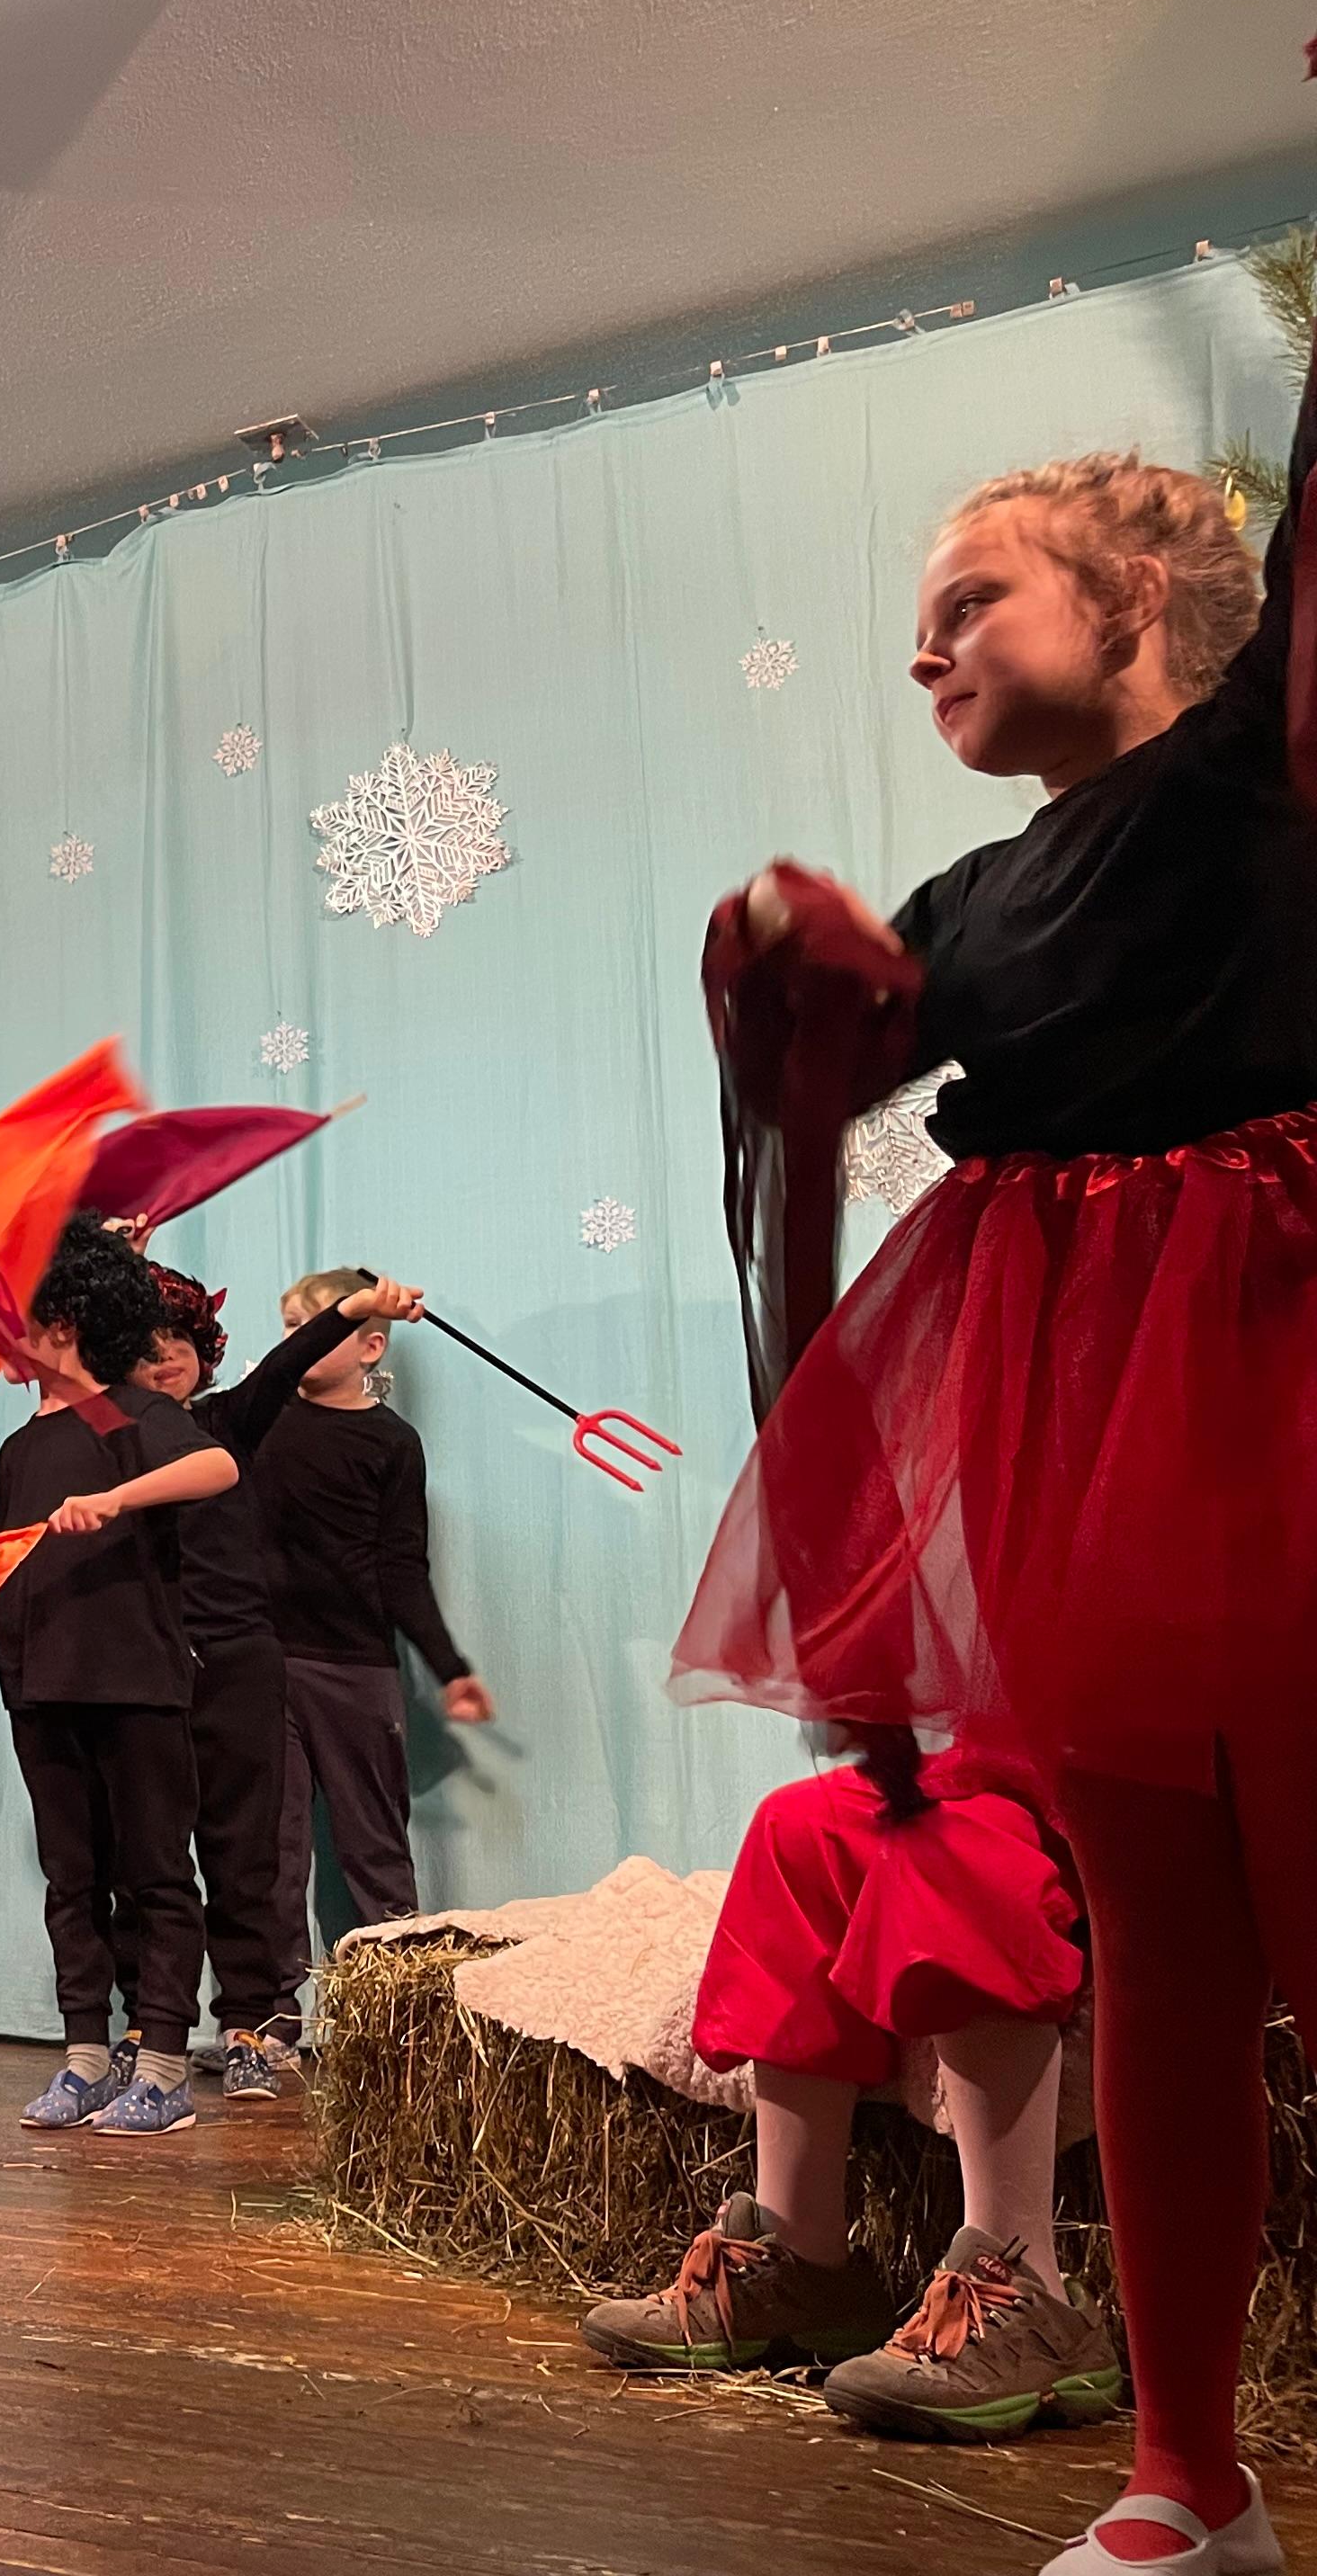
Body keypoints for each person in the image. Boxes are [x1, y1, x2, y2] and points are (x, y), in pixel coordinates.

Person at [675, 352, 1317, 2574]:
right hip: (1087, 1440)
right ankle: (1191, 2479)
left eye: (971, 600)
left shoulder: (1266, 766)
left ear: (1132, 600)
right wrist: (782, 994)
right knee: (1160, 1949)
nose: (924, 646)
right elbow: (816, 1109)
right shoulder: (971, 899)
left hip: (1275, 1374)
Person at [580, 1740, 1113, 2445]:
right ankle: (801, 2259)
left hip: (1105, 1787)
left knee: (951, 1848)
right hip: (998, 1758)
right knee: (800, 1828)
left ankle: (1024, 2285)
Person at [121, 1259, 428, 2097]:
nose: (165, 1359)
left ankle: (260, 2026)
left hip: (246, 1665)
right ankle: (152, 2031)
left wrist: (355, 1308)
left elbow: (289, 1365)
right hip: (150, 1670)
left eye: (179, 1342)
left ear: (206, 1351)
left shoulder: (232, 1420)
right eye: (146, 1348)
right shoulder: (108, 1434)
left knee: (254, 1854)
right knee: (151, 1861)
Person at [0, 1214, 240, 2137]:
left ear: (63, 1322)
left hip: (134, 1680)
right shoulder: (18, 1448)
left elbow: (217, 1465)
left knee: (155, 1874)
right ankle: (86, 2058)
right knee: (71, 1877)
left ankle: (165, 2066)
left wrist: (115, 1498)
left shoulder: (125, 1414)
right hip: (39, 1684)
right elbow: (11, 1562)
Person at [255, 1267, 493, 2021]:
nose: (297, 1341)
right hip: (262, 1667)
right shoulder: (256, 1420)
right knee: (269, 1852)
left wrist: (449, 1667)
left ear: (371, 1347)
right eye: (290, 1328)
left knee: (375, 1848)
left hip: (355, 1668)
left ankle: (398, 2024)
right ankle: (266, 2025)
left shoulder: (391, 1443)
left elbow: (401, 1569)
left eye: (316, 1327)